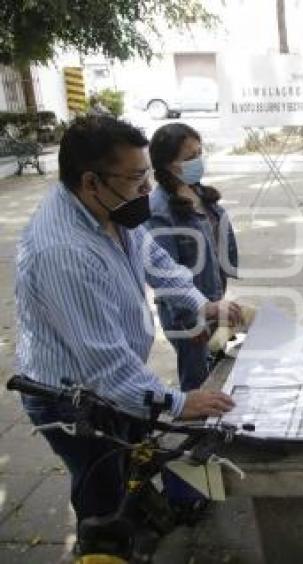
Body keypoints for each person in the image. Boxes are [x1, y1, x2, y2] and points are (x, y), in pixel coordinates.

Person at [14, 116, 240, 550]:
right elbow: (106, 368)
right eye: (137, 177)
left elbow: (157, 260)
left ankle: (136, 534)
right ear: (91, 181)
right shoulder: (64, 252)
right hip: (71, 397)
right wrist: (179, 402)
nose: (146, 188)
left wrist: (201, 304)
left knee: (131, 471)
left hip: (105, 383)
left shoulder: (109, 207)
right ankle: (100, 551)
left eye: (147, 175)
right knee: (103, 499)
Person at [146, 123, 239, 391]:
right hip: (186, 314)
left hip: (213, 300)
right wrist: (191, 321)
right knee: (197, 382)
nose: (198, 161)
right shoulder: (159, 211)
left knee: (216, 367)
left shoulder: (198, 192)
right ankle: (193, 428)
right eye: (189, 158)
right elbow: (164, 274)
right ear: (166, 165)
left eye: (200, 153)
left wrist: (219, 300)